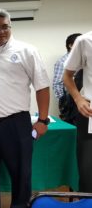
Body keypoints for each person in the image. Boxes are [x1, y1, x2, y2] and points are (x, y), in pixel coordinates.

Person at [0, 8, 50, 208]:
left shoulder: (27, 51)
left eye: (5, 27)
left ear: (10, 27)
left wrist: (43, 120)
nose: (1, 32)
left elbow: (42, 86)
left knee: (21, 173)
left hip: (16, 123)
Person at [63, 31, 92, 192]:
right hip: (90, 113)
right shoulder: (85, 41)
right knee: (88, 172)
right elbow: (67, 76)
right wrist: (78, 99)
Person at [53, 33, 81, 124]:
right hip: (70, 103)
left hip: (85, 100)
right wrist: (64, 101)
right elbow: (57, 84)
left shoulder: (84, 59)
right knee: (72, 131)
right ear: (70, 45)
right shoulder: (62, 62)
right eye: (79, 43)